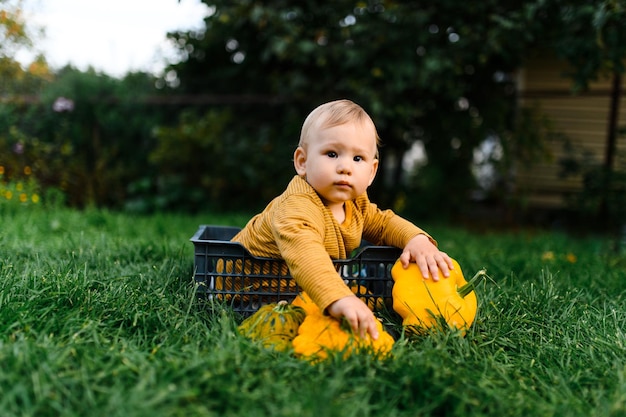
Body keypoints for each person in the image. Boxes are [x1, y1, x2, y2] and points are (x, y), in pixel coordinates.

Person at [231, 99, 453, 340]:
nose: (345, 167)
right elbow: (307, 255)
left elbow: (383, 223)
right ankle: (335, 296)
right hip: (250, 290)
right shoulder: (296, 206)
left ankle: (340, 294)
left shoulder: (356, 203)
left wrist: (416, 238)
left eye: (358, 159)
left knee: (360, 296)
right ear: (302, 162)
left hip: (296, 286)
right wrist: (339, 298)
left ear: (371, 171)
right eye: (332, 154)